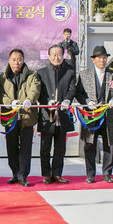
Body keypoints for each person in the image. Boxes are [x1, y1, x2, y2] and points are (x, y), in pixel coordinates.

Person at [78, 46, 113, 183]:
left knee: (109, 144)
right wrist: (87, 102)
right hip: (91, 115)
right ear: (93, 60)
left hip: (108, 114)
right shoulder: (84, 74)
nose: (102, 60)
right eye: (99, 58)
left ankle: (107, 173)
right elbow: (78, 93)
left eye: (104, 58)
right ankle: (90, 173)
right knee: (89, 144)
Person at [0, 48, 40, 186]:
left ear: (23, 60)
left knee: (26, 148)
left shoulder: (32, 75)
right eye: (14, 59)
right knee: (11, 146)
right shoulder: (2, 77)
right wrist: (10, 102)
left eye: (19, 59)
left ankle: (23, 176)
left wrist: (29, 100)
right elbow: (0, 94)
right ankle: (15, 174)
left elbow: (35, 90)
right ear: (9, 61)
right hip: (10, 116)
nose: (17, 62)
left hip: (27, 117)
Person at [37, 44, 78, 184]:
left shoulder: (70, 72)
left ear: (63, 55)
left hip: (63, 114)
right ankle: (46, 174)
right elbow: (39, 93)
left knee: (60, 148)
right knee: (45, 148)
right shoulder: (41, 72)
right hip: (47, 115)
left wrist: (67, 100)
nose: (56, 57)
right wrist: (47, 101)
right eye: (53, 54)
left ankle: (57, 174)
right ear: (49, 56)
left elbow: (72, 89)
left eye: (59, 54)